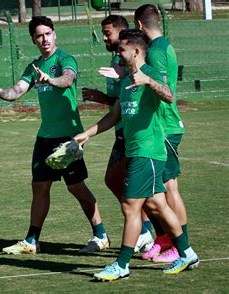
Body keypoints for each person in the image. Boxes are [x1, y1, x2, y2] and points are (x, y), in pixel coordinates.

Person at [74, 29, 199, 281]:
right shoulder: (125, 81)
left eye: (121, 49)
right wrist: (87, 134)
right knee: (157, 205)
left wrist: (149, 82)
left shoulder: (150, 73)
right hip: (135, 151)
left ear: (136, 51)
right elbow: (115, 115)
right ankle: (187, 253)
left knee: (131, 207)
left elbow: (169, 96)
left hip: (148, 152)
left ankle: (121, 265)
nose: (117, 53)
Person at [0, 16, 109, 254]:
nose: (44, 39)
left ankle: (100, 235)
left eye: (48, 33)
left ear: (54, 34)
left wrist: (50, 79)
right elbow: (16, 91)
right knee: (39, 187)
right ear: (33, 39)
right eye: (39, 35)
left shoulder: (65, 59)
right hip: (45, 137)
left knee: (76, 187)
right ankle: (32, 240)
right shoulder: (33, 67)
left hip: (69, 137)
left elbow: (67, 79)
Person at [82, 15, 154, 253]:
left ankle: (154, 237)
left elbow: (150, 91)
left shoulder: (129, 60)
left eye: (107, 33)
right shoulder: (118, 59)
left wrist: (124, 76)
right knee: (117, 182)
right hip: (122, 130)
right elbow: (118, 105)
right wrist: (100, 98)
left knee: (146, 195)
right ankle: (148, 233)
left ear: (122, 33)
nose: (104, 37)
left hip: (137, 135)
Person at [134, 4, 190, 263]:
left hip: (166, 126)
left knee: (169, 189)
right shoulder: (164, 45)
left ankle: (181, 247)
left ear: (139, 25)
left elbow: (163, 90)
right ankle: (167, 240)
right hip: (165, 126)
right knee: (161, 190)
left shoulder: (155, 51)